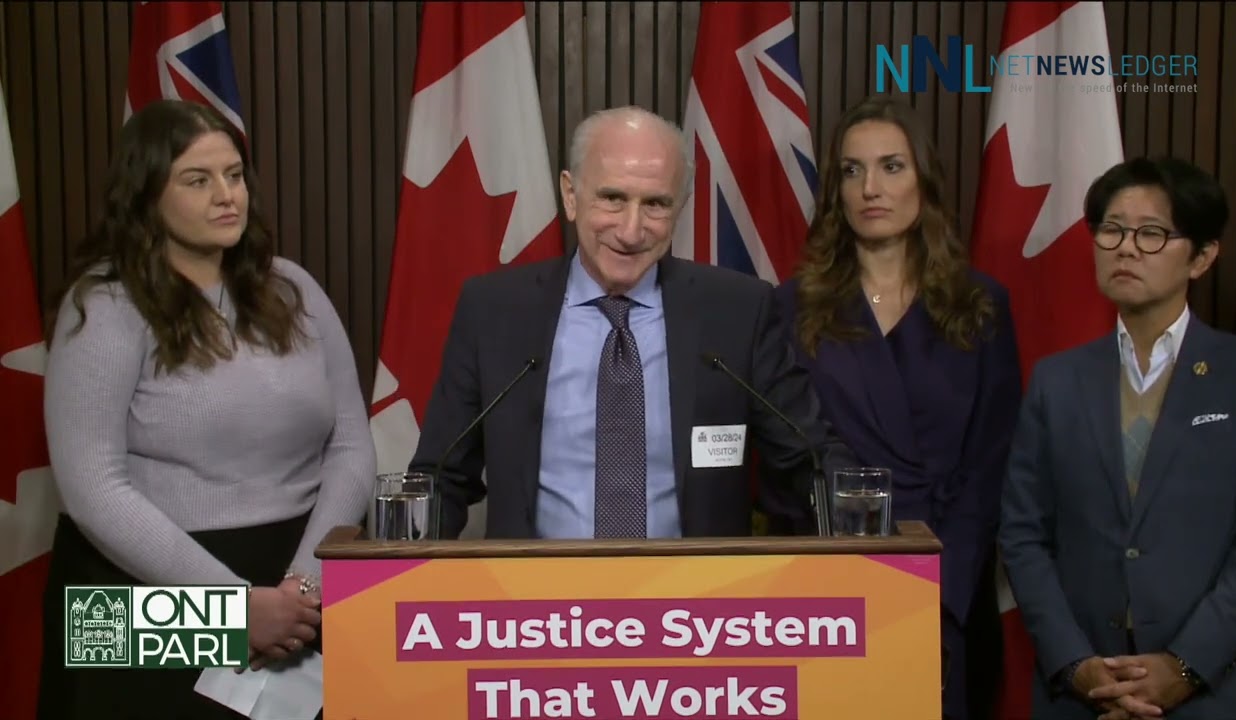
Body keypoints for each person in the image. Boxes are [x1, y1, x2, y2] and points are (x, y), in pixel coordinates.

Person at [38, 99, 375, 719]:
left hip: (296, 589)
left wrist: (304, 586)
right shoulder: (105, 306)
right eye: (198, 180)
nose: (227, 196)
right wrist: (231, 608)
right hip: (143, 595)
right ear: (147, 197)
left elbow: (352, 447)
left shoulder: (294, 288)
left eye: (234, 175)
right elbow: (92, 488)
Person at [408, 106, 851, 540]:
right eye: (612, 198)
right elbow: (441, 477)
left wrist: (866, 526)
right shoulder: (495, 311)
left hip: (698, 587)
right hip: (534, 587)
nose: (631, 231)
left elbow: (810, 459)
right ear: (570, 195)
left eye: (655, 204)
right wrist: (403, 568)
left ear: (680, 207)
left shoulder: (737, 311)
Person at [999, 156, 1236, 720]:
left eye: (1151, 233)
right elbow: (1023, 534)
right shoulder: (1057, 380)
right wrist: (1075, 664)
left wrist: (1184, 666)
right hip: (1084, 692)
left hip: (1217, 690)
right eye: (1112, 230)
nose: (1126, 248)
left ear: (1202, 256)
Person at [774, 96, 1023, 720]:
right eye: (852, 171)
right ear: (835, 191)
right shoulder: (791, 307)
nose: (870, 188)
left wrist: (936, 590)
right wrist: (843, 570)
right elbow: (781, 455)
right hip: (828, 584)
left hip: (947, 586)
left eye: (891, 166)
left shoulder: (980, 304)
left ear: (924, 180)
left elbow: (992, 464)